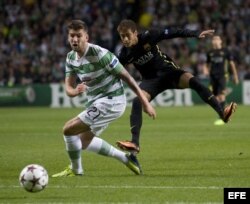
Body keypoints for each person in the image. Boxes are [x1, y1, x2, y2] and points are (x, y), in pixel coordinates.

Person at [52, 20, 156, 177]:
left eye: (78, 36)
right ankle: (126, 158)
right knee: (84, 141)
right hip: (96, 102)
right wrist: (75, 91)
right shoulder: (70, 58)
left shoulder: (100, 54)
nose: (75, 39)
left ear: (86, 37)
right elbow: (68, 89)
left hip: (112, 100)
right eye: (72, 36)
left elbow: (128, 78)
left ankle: (76, 170)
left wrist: (145, 102)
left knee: (68, 129)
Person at [115, 19, 237, 153]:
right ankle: (135, 143)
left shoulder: (149, 36)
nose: (125, 39)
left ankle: (222, 114)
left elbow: (172, 32)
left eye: (128, 35)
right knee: (137, 101)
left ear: (135, 33)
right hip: (151, 81)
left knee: (194, 81)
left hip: (170, 73)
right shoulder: (124, 54)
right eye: (122, 36)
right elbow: (114, 71)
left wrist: (195, 33)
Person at [205, 35, 239, 125]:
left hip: (222, 76)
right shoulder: (210, 52)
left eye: (217, 39)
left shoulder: (225, 51)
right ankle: (225, 113)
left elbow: (232, 64)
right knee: (215, 98)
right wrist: (205, 70)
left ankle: (222, 117)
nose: (215, 41)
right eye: (213, 39)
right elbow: (207, 64)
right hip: (212, 77)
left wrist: (235, 76)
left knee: (221, 96)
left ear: (220, 41)